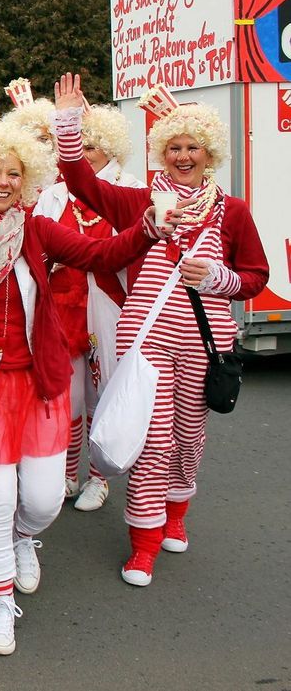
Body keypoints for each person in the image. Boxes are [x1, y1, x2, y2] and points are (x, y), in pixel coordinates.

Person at [0, 119, 163, 656]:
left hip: (39, 378)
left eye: (13, 173)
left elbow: (99, 256)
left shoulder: (36, 228)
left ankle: (25, 536)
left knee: (45, 498)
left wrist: (143, 230)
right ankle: (0, 601)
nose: (2, 181)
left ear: (25, 181)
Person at [52, 73, 269, 587]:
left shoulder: (232, 212)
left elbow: (257, 277)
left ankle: (176, 517)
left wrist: (219, 278)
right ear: (160, 152)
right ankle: (143, 545)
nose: (184, 156)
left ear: (209, 152)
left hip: (204, 340)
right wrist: (67, 124)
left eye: (193, 146)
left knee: (187, 440)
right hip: (144, 341)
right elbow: (83, 183)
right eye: (174, 146)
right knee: (151, 442)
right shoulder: (139, 202)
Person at [33, 103, 144, 511]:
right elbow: (37, 247)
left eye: (95, 145)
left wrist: (86, 254)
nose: (86, 152)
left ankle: (99, 478)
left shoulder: (128, 187)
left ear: (111, 148)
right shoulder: (53, 192)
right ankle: (66, 472)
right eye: (81, 143)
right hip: (62, 307)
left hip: (111, 306)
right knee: (68, 399)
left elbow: (136, 250)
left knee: (104, 394)